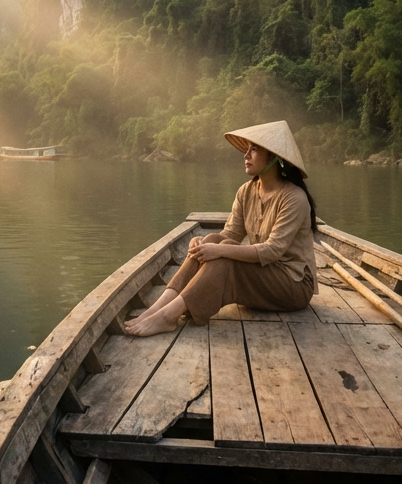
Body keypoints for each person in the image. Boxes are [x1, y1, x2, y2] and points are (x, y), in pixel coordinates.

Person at [125, 120, 319, 337]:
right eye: (246, 149)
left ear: (275, 157)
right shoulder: (246, 191)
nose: (245, 155)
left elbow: (272, 250)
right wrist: (203, 243)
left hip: (293, 286)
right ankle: (156, 309)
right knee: (211, 242)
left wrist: (220, 250)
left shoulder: (294, 198)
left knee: (224, 252)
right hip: (265, 277)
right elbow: (230, 234)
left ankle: (168, 316)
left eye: (253, 149)